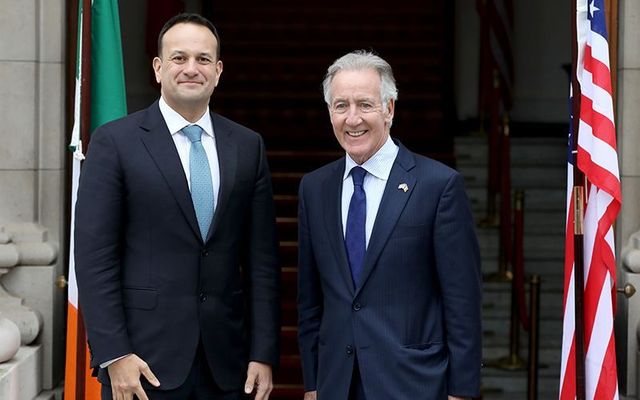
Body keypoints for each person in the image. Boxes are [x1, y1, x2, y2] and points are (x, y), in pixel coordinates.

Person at [75, 13, 280, 400]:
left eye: (203, 59)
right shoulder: (114, 143)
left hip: (228, 366)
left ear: (218, 71)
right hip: (141, 367)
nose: (191, 69)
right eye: (179, 58)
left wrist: (263, 352)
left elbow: (262, 262)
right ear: (157, 68)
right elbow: (94, 258)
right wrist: (114, 353)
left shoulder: (247, 146)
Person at [297, 50, 482, 400]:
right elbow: (310, 300)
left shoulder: (438, 186)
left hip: (414, 384)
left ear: (389, 109)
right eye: (341, 106)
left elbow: (462, 302)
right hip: (336, 383)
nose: (353, 119)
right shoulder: (314, 188)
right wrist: (312, 382)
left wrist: (461, 390)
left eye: (365, 105)